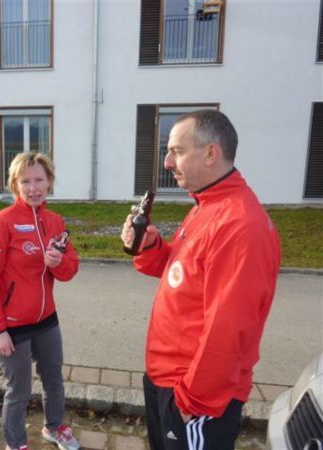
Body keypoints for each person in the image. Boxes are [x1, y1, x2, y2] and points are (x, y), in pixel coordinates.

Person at [121, 110, 281, 449]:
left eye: (177, 151)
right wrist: (149, 247)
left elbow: (229, 328)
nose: (167, 162)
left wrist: (190, 402)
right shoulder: (206, 206)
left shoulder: (240, 225)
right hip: (167, 379)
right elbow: (183, 273)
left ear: (210, 153)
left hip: (194, 396)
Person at [0, 152, 81, 450]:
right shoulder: (1, 223)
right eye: (25, 181)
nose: (33, 188)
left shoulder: (55, 221)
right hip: (12, 326)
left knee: (54, 381)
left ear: (49, 182)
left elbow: (70, 270)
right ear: (15, 184)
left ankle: (54, 428)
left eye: (39, 180)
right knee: (19, 390)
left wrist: (58, 263)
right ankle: (15, 443)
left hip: (47, 319)